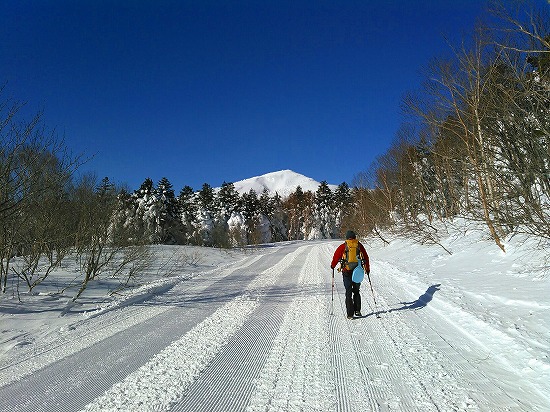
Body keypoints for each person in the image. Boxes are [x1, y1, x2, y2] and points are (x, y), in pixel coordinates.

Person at [331, 230, 370, 319]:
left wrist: (333, 266)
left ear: (347, 237)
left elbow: (336, 257)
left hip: (346, 271)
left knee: (348, 292)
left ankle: (350, 314)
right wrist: (367, 269)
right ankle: (357, 310)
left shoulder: (343, 246)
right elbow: (366, 257)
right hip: (357, 271)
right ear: (355, 237)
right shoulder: (359, 245)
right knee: (356, 291)